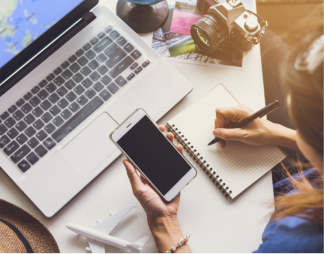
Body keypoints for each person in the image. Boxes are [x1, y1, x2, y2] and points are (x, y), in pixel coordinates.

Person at [122, 20, 323, 252]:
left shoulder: (297, 240)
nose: (288, 103)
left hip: (295, 191)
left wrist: (163, 222)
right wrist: (278, 133)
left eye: (297, 113)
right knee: (266, 39)